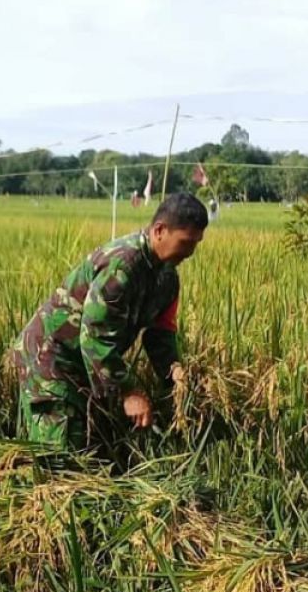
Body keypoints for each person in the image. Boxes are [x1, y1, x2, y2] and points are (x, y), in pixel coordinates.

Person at [10, 192, 208, 450]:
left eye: (196, 243)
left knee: (85, 449)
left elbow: (160, 333)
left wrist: (175, 372)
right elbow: (95, 336)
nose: (190, 252)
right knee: (58, 459)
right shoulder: (122, 266)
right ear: (159, 230)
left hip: (84, 365)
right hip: (52, 360)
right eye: (185, 242)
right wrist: (129, 391)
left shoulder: (167, 279)